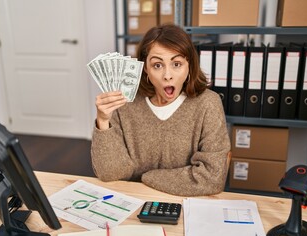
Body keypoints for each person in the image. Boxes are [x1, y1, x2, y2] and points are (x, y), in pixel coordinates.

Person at [91, 24, 230, 196]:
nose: (167, 75)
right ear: (145, 69)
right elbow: (111, 174)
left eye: (177, 64)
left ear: (189, 67)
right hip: (135, 199)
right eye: (157, 65)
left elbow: (211, 179)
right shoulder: (125, 103)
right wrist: (103, 122)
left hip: (188, 203)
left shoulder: (208, 103)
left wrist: (148, 177)